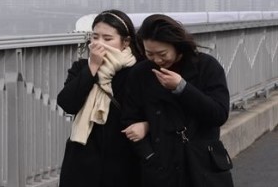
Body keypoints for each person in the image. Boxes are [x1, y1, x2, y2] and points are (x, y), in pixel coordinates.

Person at [122, 14, 233, 187]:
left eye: (162, 53)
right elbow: (129, 117)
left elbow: (219, 114)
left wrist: (182, 88)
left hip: (201, 165)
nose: (157, 60)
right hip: (160, 166)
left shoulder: (206, 66)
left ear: (177, 45)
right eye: (149, 53)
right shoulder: (140, 73)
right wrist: (148, 154)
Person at [57, 10, 145, 187]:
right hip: (83, 159)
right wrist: (93, 67)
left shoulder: (138, 71)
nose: (99, 43)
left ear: (125, 42)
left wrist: (145, 126)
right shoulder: (82, 67)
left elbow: (154, 111)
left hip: (124, 159)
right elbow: (68, 103)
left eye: (107, 38)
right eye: (95, 37)